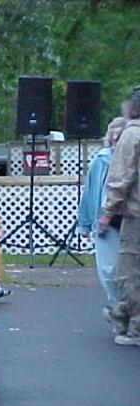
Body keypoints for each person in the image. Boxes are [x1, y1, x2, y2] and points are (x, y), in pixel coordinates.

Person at [99, 92, 140, 346]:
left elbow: (120, 177)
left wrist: (107, 212)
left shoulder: (132, 135)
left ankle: (132, 326)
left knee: (130, 271)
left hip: (136, 215)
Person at [78, 118, 127, 317]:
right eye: (114, 137)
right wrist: (85, 224)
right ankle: (116, 307)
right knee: (109, 270)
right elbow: (90, 191)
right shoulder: (101, 160)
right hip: (107, 221)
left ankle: (127, 311)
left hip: (130, 218)